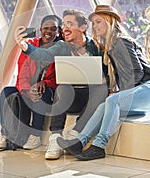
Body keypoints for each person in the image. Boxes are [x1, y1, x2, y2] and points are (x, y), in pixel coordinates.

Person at [56, 5, 150, 161]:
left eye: (98, 21)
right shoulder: (109, 47)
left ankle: (98, 146)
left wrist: (119, 93)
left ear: (109, 22)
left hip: (146, 91)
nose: (95, 26)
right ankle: (79, 142)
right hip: (136, 95)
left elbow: (137, 74)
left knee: (112, 100)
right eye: (94, 23)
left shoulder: (121, 42)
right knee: (104, 105)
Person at [15, 9, 109, 159]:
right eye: (64, 24)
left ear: (83, 27)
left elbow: (109, 71)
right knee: (63, 87)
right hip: (69, 98)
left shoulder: (96, 47)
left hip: (91, 99)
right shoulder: (62, 46)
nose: (64, 28)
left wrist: (105, 79)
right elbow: (43, 54)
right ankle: (55, 138)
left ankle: (74, 134)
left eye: (69, 24)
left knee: (102, 89)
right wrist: (25, 46)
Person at [0, 14, 62, 151]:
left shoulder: (60, 48)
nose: (48, 31)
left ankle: (35, 135)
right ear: (40, 29)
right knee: (6, 91)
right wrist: (26, 90)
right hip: (26, 89)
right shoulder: (29, 45)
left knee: (40, 92)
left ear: (58, 31)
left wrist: (45, 83)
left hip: (47, 91)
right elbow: (22, 73)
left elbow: (59, 77)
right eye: (45, 28)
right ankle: (5, 135)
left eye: (53, 29)